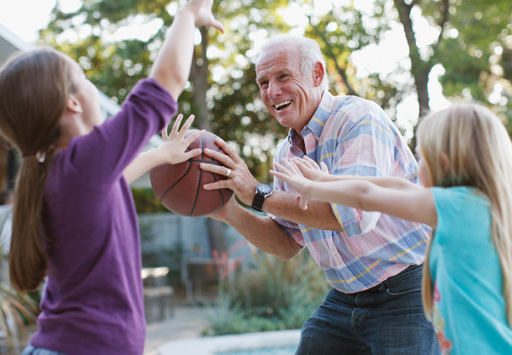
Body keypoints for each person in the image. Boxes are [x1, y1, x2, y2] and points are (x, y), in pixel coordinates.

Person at [0, 0, 223, 354]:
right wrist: (188, 14)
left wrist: (158, 156)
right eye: (84, 77)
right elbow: (166, 82)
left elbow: (108, 185)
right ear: (73, 102)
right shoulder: (82, 159)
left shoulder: (53, 173)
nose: (90, 85)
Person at [200, 34, 440, 354]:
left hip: (407, 292)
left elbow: (353, 215)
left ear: (316, 74)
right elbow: (285, 243)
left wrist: (255, 192)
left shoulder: (357, 119)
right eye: (263, 82)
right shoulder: (286, 155)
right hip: (344, 298)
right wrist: (228, 210)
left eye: (283, 76)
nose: (272, 91)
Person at [270, 103, 512, 355]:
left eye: (422, 158)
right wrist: (325, 179)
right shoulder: (471, 206)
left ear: (443, 163)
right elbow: (396, 186)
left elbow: (367, 196)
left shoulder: (454, 207)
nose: (417, 168)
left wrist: (312, 189)